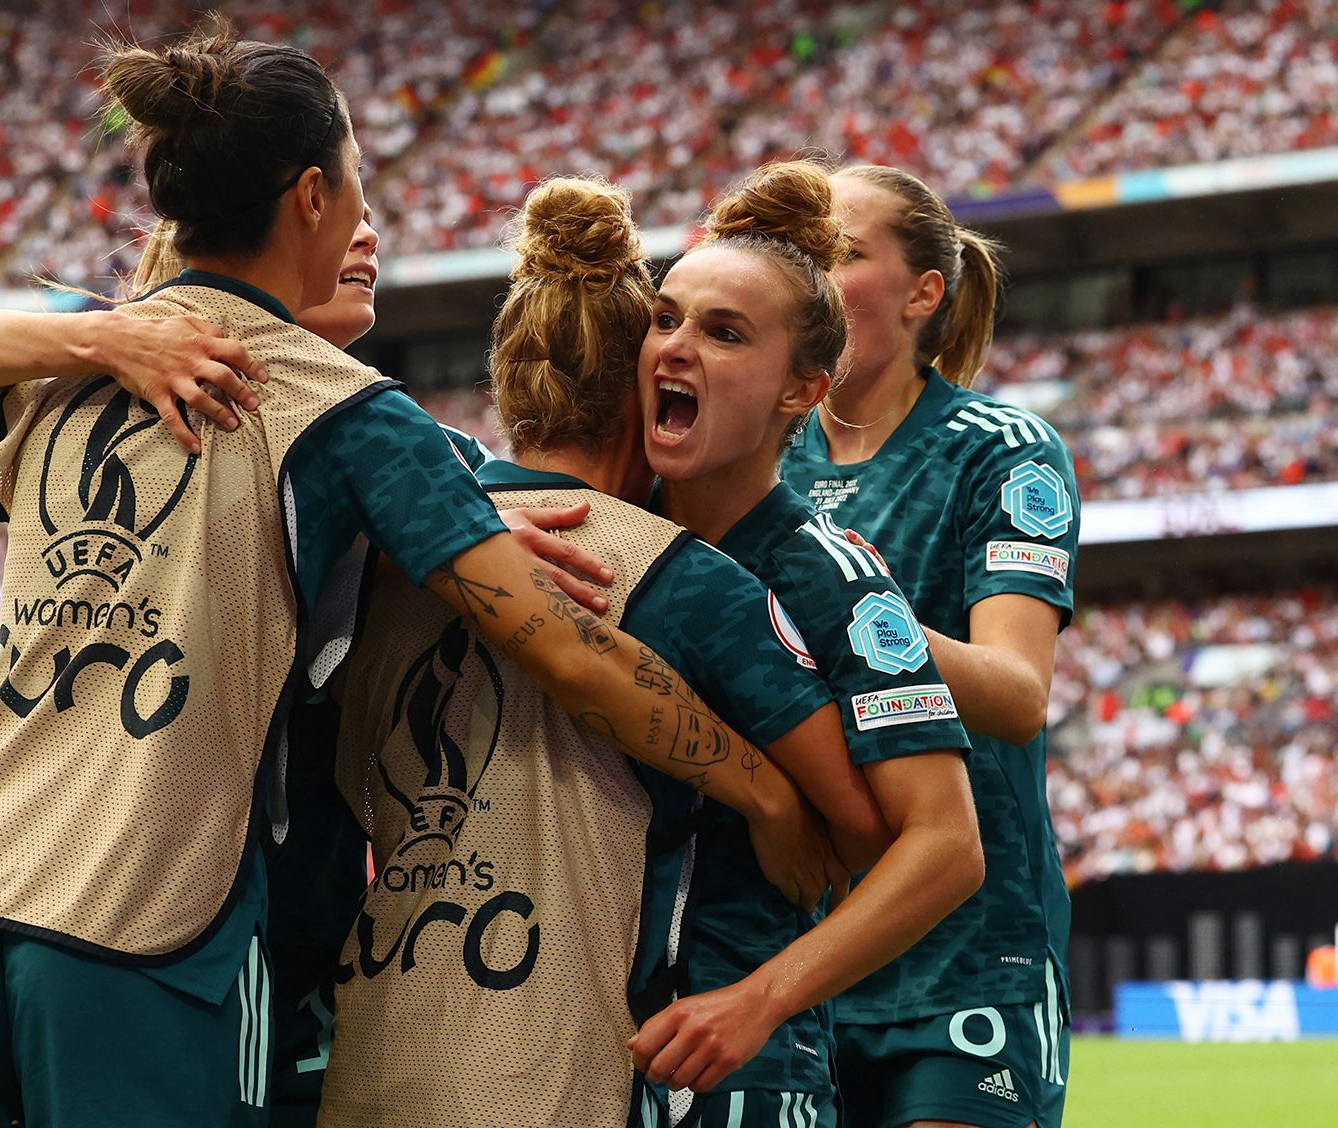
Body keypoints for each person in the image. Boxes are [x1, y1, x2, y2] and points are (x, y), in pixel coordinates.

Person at [0, 22, 794, 1128]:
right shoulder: (347, 412)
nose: (362, 214)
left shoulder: (75, 370)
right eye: (355, 179)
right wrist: (759, 785)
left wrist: (102, 338)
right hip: (143, 906)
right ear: (308, 194)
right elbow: (566, 652)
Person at [309, 176, 889, 1128]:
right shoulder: (682, 576)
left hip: (374, 1043)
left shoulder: (391, 547)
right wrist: (775, 800)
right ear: (639, 382)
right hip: (555, 1063)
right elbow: (861, 835)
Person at [623, 161, 985, 1127]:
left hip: (743, 1075)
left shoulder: (834, 574)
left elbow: (947, 848)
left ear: (803, 389)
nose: (677, 347)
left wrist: (761, 1000)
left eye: (724, 332)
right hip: (567, 1057)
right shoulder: (596, 527)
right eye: (665, 319)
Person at [775, 164, 1080, 1128]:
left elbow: (1020, 691)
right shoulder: (760, 456)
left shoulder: (1000, 448)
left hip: (968, 960)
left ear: (923, 293)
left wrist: (846, 615)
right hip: (799, 952)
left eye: (845, 254)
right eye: (805, 255)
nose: (816, 276)